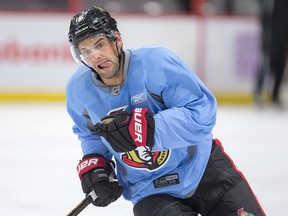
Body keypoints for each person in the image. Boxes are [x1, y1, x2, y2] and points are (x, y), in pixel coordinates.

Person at [66, 6, 266, 216]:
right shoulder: (78, 90)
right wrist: (97, 165)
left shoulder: (156, 63)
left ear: (116, 39)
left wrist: (150, 128)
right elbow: (90, 134)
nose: (95, 56)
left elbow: (202, 112)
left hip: (204, 170)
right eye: (86, 51)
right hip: (149, 189)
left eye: (100, 44)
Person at [254, 0, 288, 107]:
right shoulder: (271, 1)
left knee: (280, 66)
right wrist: (266, 35)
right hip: (270, 38)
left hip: (282, 38)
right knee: (266, 64)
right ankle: (259, 92)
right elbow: (265, 17)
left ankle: (275, 95)